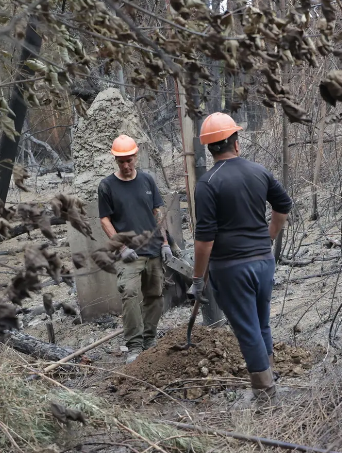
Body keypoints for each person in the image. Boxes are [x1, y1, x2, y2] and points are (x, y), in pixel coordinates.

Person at [189, 113, 292, 408]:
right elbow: (283, 205)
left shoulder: (208, 184)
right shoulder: (259, 171)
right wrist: (268, 237)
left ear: (209, 149)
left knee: (247, 330)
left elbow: (205, 239)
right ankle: (270, 375)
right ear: (236, 142)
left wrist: (198, 279)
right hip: (262, 263)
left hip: (232, 269)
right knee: (260, 324)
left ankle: (266, 395)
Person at [99, 134, 176, 363]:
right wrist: (121, 248)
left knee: (155, 295)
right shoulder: (107, 186)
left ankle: (149, 340)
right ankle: (134, 346)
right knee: (130, 294)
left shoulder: (147, 181)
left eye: (129, 159)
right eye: (121, 161)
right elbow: (105, 220)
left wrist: (164, 244)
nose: (125, 165)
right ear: (115, 160)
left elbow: (158, 213)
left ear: (136, 156)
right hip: (129, 254)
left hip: (153, 249)